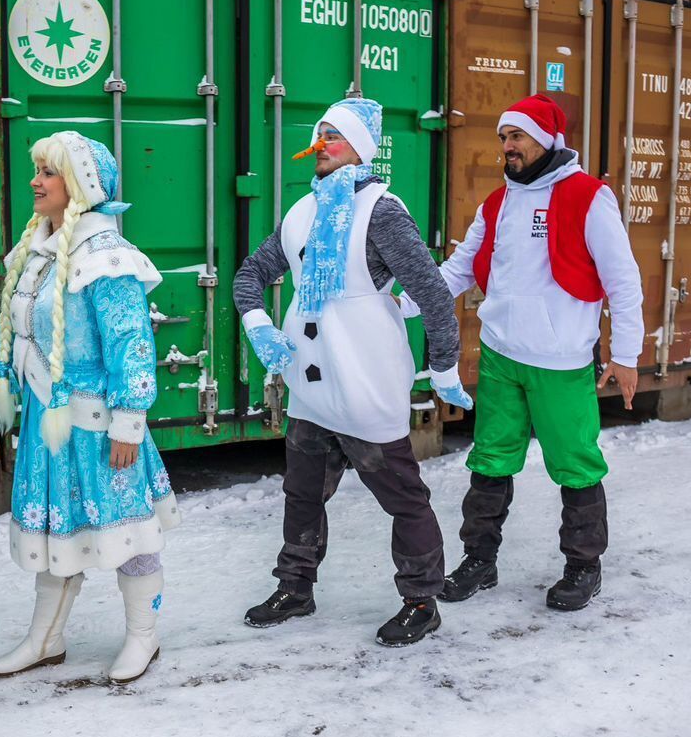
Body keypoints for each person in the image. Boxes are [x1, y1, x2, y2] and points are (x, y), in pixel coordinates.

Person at [233, 97, 470, 646]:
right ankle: (295, 587)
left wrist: (443, 366)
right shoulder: (302, 212)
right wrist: (258, 324)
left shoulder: (382, 211)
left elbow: (433, 295)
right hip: (310, 384)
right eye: (317, 135)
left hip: (365, 377)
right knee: (302, 491)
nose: (319, 144)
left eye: (332, 136)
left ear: (359, 148)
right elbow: (250, 274)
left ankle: (421, 599)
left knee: (401, 494)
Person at [0, 132, 179, 683]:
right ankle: (45, 640)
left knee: (127, 536)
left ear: (78, 184)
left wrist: (129, 423)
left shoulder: (106, 257)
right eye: (37, 171)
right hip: (48, 429)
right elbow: (21, 331)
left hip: (101, 431)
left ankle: (143, 638)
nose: (34, 181)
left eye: (47, 172)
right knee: (56, 537)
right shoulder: (37, 251)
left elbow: (132, 347)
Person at [403, 94, 643, 611]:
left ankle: (584, 567)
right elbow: (461, 267)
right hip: (501, 355)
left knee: (576, 465)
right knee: (490, 460)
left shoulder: (588, 196)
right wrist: (402, 303)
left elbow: (624, 282)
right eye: (503, 138)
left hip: (560, 361)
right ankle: (479, 561)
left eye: (517, 137)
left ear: (547, 139)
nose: (507, 147)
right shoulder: (499, 202)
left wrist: (626, 355)